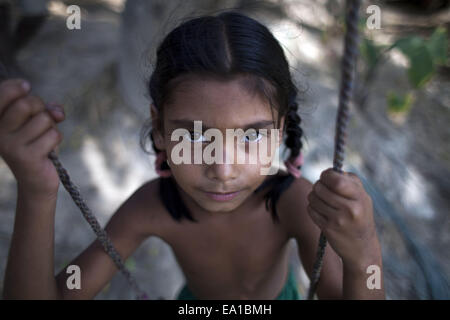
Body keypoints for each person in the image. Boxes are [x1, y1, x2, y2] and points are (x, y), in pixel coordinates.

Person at [0, 11, 385, 300]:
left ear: (281, 129)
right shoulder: (152, 207)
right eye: (195, 136)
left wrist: (365, 251)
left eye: (251, 135)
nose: (222, 169)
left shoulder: (295, 203)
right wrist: (36, 191)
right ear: (160, 129)